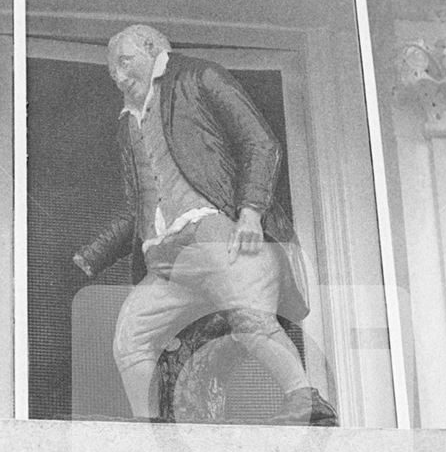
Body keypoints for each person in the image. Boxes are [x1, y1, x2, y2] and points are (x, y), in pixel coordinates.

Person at [74, 24, 337, 426]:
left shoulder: (198, 77)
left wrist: (250, 211)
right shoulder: (127, 126)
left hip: (214, 234)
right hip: (165, 259)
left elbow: (260, 142)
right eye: (112, 70)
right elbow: (140, 206)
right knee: (131, 338)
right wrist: (93, 254)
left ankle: (305, 399)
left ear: (151, 49)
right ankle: (154, 428)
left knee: (250, 319)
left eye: (124, 62)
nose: (118, 75)